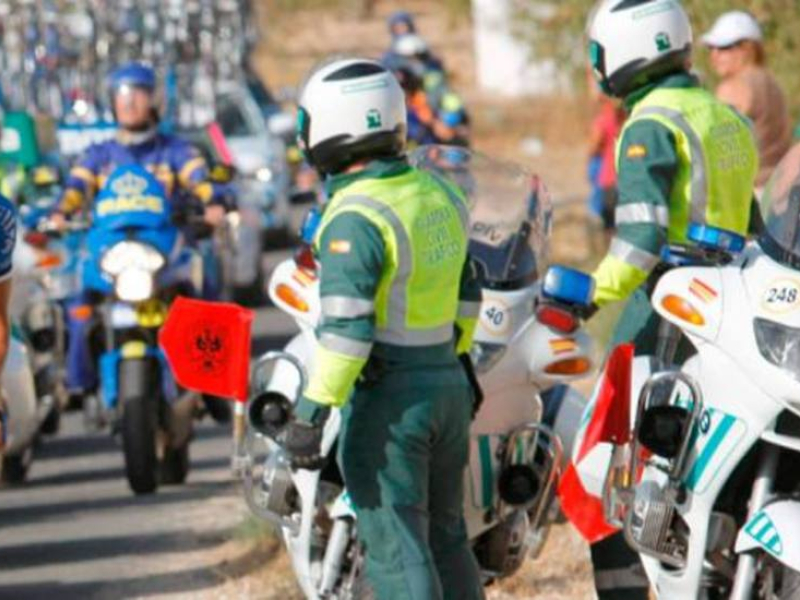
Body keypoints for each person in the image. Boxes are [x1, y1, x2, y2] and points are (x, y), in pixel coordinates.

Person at [285, 57, 484, 600]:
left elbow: (347, 333)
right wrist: (453, 357)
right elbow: (469, 294)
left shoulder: (355, 215)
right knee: (447, 539)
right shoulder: (438, 193)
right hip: (447, 383)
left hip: (390, 401)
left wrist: (310, 413)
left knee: (397, 549)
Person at [584, 1, 759, 598]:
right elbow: (755, 220)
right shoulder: (723, 114)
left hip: (668, 312)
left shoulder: (650, 124)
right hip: (734, 309)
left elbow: (640, 240)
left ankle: (629, 589)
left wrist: (591, 292)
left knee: (610, 460)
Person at [52, 62, 226, 227]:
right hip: (111, 244)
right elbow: (74, 187)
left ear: (154, 100)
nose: (129, 102)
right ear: (112, 102)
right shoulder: (99, 154)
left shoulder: (174, 150)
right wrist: (60, 211)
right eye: (122, 94)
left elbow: (201, 180)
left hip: (164, 240)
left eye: (138, 93)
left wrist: (215, 203)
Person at [703, 10, 791, 191]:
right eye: (711, 48)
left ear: (747, 47)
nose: (714, 55)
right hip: (782, 190)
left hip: (751, 193)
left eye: (723, 47)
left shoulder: (732, 87)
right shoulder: (773, 84)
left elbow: (715, 148)